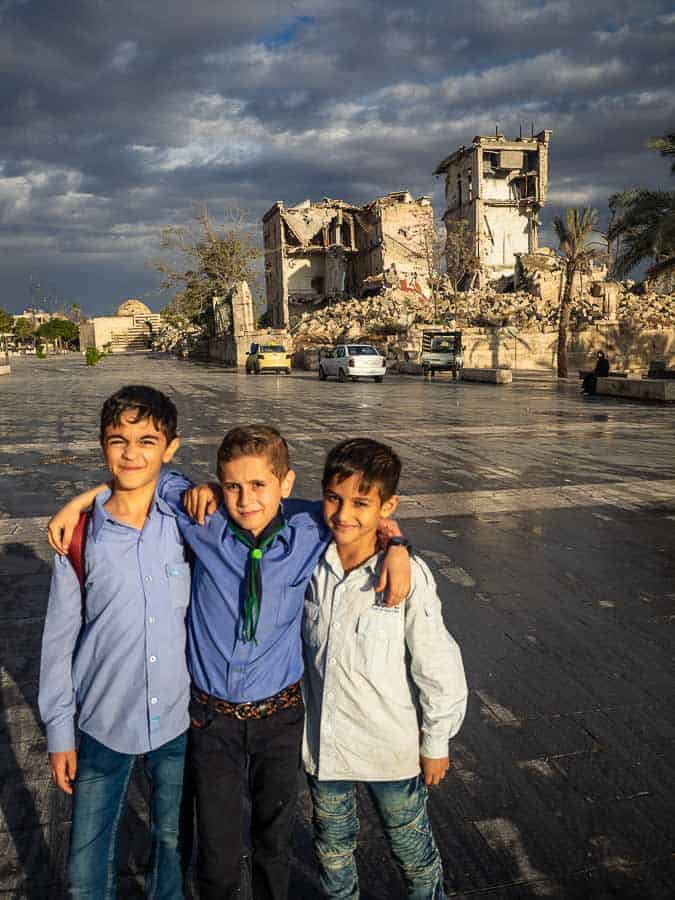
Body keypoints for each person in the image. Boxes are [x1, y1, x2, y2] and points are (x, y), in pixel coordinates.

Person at [48, 424, 411, 900]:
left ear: (286, 483)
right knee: (216, 848)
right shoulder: (202, 519)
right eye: (233, 486)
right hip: (210, 719)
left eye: (259, 485)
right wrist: (81, 502)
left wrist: (399, 542)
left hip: (279, 718)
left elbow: (360, 514)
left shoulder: (310, 525)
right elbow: (145, 474)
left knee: (273, 840)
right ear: (219, 484)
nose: (246, 500)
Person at [39, 386, 191, 898]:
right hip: (103, 722)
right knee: (86, 867)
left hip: (176, 720)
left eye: (147, 440)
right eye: (117, 440)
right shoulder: (79, 535)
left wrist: (393, 540)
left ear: (169, 448)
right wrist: (59, 730)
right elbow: (58, 642)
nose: (131, 453)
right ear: (103, 447)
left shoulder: (189, 523)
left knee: (170, 850)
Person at [303, 438, 468, 899]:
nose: (343, 515)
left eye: (361, 503)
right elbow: (270, 503)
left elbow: (437, 661)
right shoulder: (312, 563)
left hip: (389, 746)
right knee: (333, 852)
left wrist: (436, 740)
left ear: (387, 505)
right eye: (334, 499)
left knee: (412, 852)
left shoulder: (405, 574)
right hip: (325, 744)